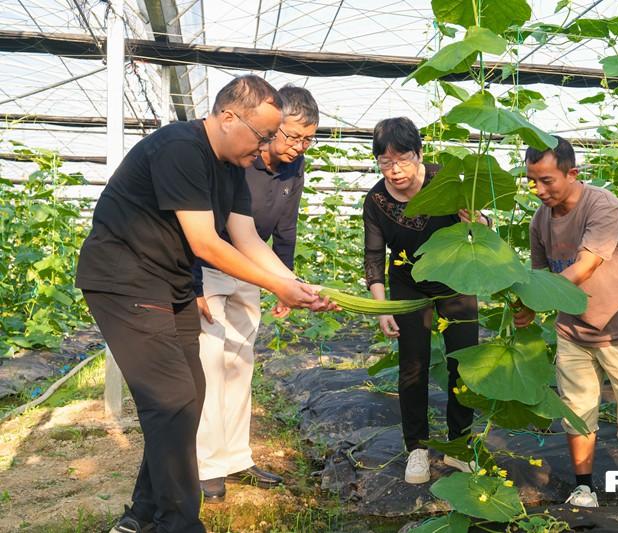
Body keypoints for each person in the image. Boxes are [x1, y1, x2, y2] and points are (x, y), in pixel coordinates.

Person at [75, 75, 331, 533]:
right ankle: (179, 523)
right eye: (263, 134)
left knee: (189, 396)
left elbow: (246, 235)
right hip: (125, 279)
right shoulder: (181, 147)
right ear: (228, 116)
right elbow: (206, 243)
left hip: (168, 282)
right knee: (171, 400)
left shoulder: (232, 165)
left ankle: (142, 516)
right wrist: (278, 288)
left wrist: (295, 283)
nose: (268, 145)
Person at [513, 136, 618, 508]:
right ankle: (584, 487)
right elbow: (540, 274)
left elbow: (586, 265)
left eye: (546, 180)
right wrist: (527, 304)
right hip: (573, 330)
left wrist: (538, 297)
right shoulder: (539, 221)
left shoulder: (602, 206)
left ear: (572, 173)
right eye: (532, 180)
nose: (538, 189)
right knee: (577, 409)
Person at [192, 85, 319, 502]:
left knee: (239, 361)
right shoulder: (236, 158)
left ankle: (236, 457)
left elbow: (286, 228)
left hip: (253, 270)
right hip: (211, 267)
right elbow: (199, 230)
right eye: (292, 136)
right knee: (211, 362)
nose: (298, 147)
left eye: (308, 140)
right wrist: (192, 282)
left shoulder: (292, 169)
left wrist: (286, 282)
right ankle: (208, 466)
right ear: (271, 127)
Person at [362, 117, 488, 484]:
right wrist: (382, 307)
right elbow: (373, 255)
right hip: (408, 285)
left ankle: (459, 444)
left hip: (455, 278)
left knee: (461, 363)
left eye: (402, 158)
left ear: (419, 154)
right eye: (385, 162)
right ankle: (416, 448)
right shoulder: (377, 200)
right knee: (412, 366)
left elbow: (483, 229)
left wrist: (477, 219)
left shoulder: (446, 181)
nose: (394, 169)